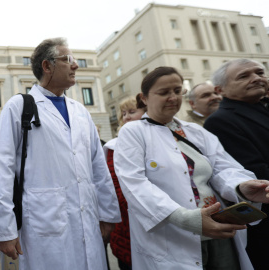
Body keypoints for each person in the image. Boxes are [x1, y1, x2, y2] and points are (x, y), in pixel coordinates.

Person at [114, 66, 269, 270]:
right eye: (164, 92)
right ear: (143, 98)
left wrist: (241, 186)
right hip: (172, 237)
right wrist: (185, 218)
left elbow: (223, 168)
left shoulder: (196, 132)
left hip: (218, 231)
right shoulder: (133, 132)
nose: (173, 97)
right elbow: (134, 184)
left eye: (178, 91)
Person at [0, 37, 121, 270]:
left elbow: (98, 166)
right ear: (47, 66)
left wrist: (108, 213)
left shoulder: (81, 112)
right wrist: (5, 229)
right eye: (68, 59)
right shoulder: (19, 106)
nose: (75, 65)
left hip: (87, 220)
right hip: (41, 224)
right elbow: (0, 170)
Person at [204, 59, 269, 270]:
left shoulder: (262, 107)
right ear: (219, 89)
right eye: (244, 76)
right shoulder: (220, 121)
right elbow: (256, 175)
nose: (256, 78)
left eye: (260, 72)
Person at [102, 94, 146, 270]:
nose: (126, 116)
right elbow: (115, 187)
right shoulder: (114, 146)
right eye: (123, 113)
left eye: (132, 112)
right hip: (129, 224)